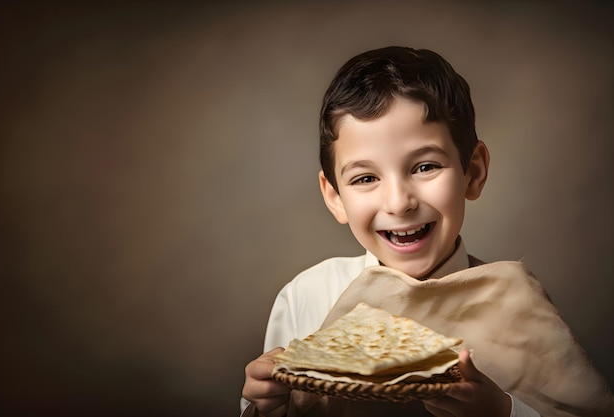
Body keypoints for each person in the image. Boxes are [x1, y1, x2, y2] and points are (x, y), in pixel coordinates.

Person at [241, 46, 613, 417]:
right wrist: (265, 408)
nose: (399, 202)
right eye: (366, 178)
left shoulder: (517, 307)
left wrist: (500, 411)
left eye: (424, 167)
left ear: (474, 172)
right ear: (334, 196)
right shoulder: (306, 297)